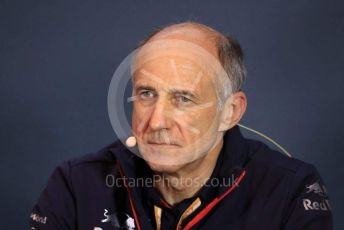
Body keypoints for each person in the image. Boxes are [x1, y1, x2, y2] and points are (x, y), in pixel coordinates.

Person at [30, 22, 333, 230]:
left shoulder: (290, 190)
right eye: (147, 94)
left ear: (230, 111)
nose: (156, 122)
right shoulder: (77, 184)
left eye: (183, 98)